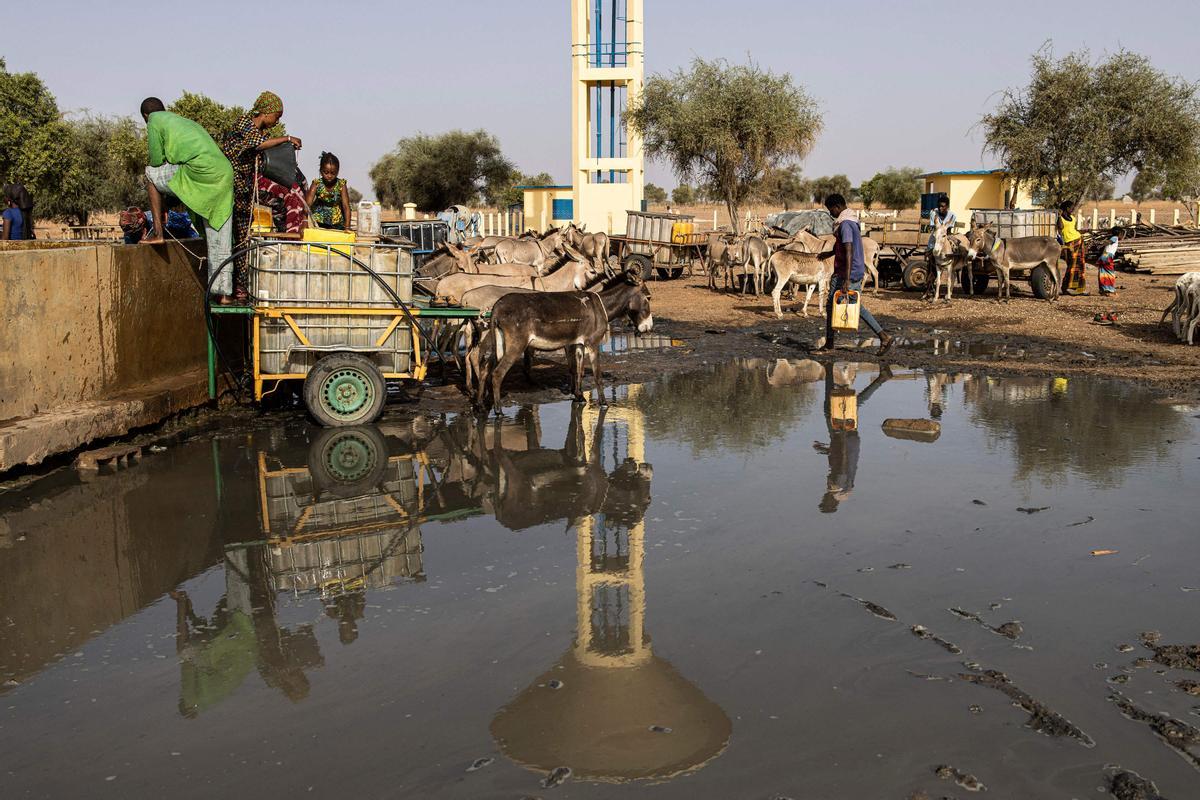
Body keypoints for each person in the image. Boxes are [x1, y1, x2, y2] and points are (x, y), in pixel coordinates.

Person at [139, 96, 235, 300]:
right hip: (223, 173)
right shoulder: (182, 121)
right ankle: (224, 294)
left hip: (200, 171)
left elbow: (156, 160)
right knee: (219, 237)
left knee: (149, 175)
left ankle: (158, 233)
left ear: (146, 116)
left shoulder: (155, 120)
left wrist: (161, 200)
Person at [222, 91, 305, 300]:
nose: (276, 121)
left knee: (242, 239)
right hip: (231, 189)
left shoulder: (257, 132)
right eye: (276, 116)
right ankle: (225, 287)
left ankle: (240, 287)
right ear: (266, 112)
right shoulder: (245, 124)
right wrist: (286, 138)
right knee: (230, 239)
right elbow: (257, 144)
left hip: (244, 191)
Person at [818, 194, 894, 355]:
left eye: (831, 209)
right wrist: (829, 254)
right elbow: (844, 247)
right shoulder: (852, 221)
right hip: (854, 269)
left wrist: (846, 278)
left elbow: (849, 251)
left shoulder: (844, 224)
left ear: (837, 206)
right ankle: (883, 336)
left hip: (847, 271)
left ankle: (883, 336)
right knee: (851, 304)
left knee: (835, 304)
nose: (831, 213)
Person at [814, 363, 891, 513]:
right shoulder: (837, 485)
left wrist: (825, 450)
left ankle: (881, 379)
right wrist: (841, 436)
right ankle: (829, 369)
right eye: (824, 500)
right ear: (828, 502)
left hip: (849, 443)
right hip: (842, 439)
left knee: (852, 406)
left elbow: (841, 461)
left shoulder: (845, 489)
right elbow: (842, 462)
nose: (823, 497)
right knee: (830, 407)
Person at [306, 152, 352, 231]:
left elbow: (346, 206)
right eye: (326, 172)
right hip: (318, 222)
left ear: (337, 172)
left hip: (338, 223)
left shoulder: (341, 184)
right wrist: (304, 222)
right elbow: (307, 205)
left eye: (333, 173)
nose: (329, 176)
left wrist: (347, 227)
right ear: (321, 171)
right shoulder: (316, 184)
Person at [1058, 200, 1086, 295]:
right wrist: (1059, 216)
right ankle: (1065, 287)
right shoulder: (1061, 218)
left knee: (1080, 265)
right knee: (1071, 265)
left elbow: (1074, 229)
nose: (1073, 210)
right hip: (1069, 243)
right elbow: (1061, 228)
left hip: (1078, 240)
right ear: (1067, 208)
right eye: (1071, 208)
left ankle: (1078, 288)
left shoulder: (1073, 218)